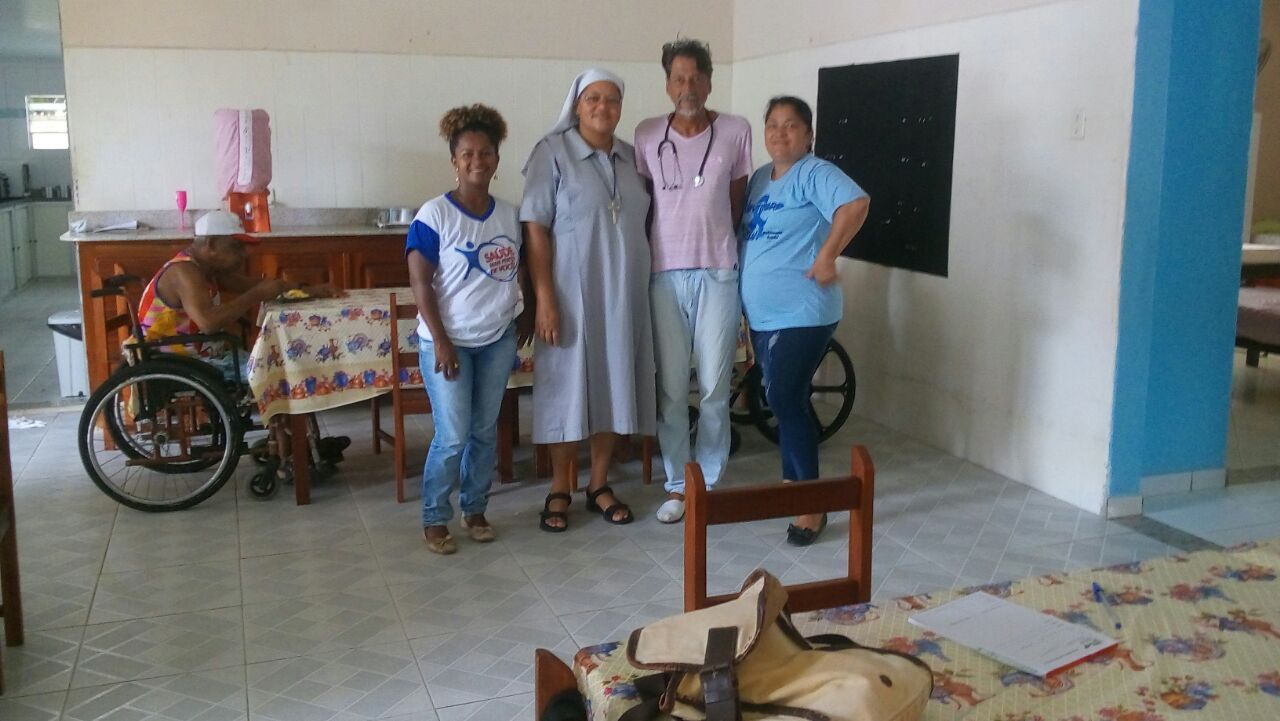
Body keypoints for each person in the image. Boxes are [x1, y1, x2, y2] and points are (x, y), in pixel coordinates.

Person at [521, 68, 656, 531]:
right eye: (593, 98)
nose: (603, 107)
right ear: (577, 105)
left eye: (612, 99)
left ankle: (599, 483)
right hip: (569, 296)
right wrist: (544, 297)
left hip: (624, 295)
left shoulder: (633, 159)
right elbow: (535, 227)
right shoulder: (551, 153)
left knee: (614, 383)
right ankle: (561, 485)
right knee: (565, 386)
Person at [739, 96, 870, 546]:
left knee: (787, 397)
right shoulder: (760, 179)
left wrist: (828, 255)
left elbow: (855, 205)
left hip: (803, 310)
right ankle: (796, 486)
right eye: (772, 125)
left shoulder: (814, 172)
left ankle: (812, 506)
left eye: (791, 125)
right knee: (781, 398)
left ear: (809, 133)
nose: (780, 133)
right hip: (764, 313)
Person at [406, 104, 533, 555]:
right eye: (467, 154)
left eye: (485, 153)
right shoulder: (434, 215)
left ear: (497, 159)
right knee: (453, 434)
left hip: (495, 339)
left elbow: (523, 270)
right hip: (448, 342)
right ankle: (434, 517)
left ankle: (475, 509)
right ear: (454, 161)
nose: (477, 161)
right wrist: (440, 338)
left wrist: (528, 311)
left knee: (484, 430)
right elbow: (420, 282)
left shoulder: (509, 216)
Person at [634, 39, 752, 523]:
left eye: (696, 77)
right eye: (678, 78)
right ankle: (679, 485)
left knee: (714, 385)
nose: (688, 87)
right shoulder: (645, 135)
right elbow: (644, 208)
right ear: (667, 83)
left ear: (709, 80)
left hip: (719, 273)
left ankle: (710, 479)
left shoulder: (736, 130)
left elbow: (738, 202)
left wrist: (716, 248)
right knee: (670, 388)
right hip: (664, 274)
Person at [137, 209, 337, 380]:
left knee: (279, 364)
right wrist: (256, 295)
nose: (244, 254)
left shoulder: (206, 269)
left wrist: (310, 290)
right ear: (212, 244)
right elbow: (208, 323)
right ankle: (289, 421)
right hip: (176, 361)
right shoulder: (185, 272)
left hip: (198, 354)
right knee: (277, 373)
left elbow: (261, 285)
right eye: (236, 247)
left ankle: (284, 421)